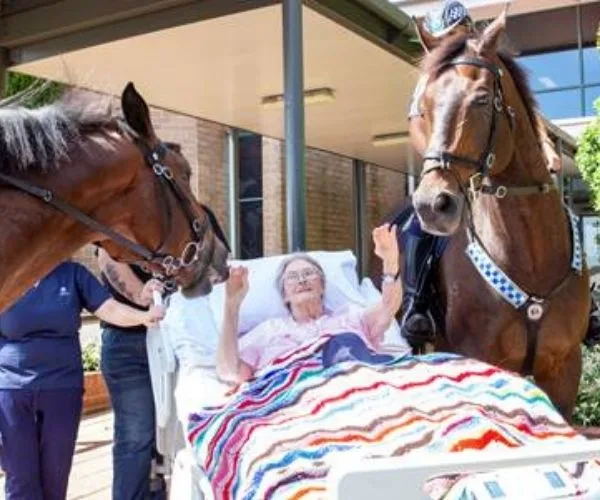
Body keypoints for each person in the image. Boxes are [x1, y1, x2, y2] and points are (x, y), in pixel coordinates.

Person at [400, 0, 563, 350]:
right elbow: (415, 122)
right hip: (451, 170)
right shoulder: (436, 75)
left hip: (494, 166)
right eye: (445, 37)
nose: (452, 42)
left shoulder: (492, 67)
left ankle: (585, 305)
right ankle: (417, 305)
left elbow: (529, 113)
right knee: (413, 227)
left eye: (457, 34)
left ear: (469, 30)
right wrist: (436, 161)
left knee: (554, 212)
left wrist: (547, 147)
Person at [0, 261, 165, 500]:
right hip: (10, 389)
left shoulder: (72, 273)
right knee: (21, 479)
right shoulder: (7, 270)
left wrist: (143, 317)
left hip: (62, 388)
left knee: (55, 477)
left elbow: (108, 308)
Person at [216, 224, 403, 383]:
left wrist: (390, 263)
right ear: (285, 295)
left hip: (358, 383)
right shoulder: (268, 331)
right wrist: (231, 305)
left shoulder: (350, 316)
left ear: (322, 285)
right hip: (299, 398)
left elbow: (389, 306)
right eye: (293, 277)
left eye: (308, 273)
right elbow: (229, 372)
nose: (302, 280)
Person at [96, 248, 167, 500]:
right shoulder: (112, 233)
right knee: (136, 436)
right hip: (128, 343)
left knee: (173, 438)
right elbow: (109, 261)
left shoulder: (184, 218)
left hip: (178, 337)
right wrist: (144, 296)